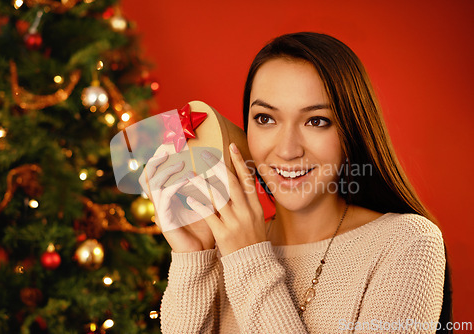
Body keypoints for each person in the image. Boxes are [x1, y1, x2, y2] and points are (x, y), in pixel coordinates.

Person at [145, 32, 451, 333]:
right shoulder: (224, 250)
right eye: (266, 118)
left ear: (351, 131)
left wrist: (250, 259)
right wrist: (194, 258)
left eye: (316, 121)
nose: (288, 150)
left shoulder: (407, 243)